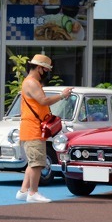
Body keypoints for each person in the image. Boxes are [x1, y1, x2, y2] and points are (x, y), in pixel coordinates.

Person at [18, 53, 73, 204]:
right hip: (33, 128)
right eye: (46, 70)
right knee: (37, 163)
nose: (47, 73)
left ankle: (24, 191)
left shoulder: (30, 82)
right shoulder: (31, 83)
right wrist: (62, 96)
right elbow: (43, 101)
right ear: (40, 68)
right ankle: (33, 192)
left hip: (31, 127)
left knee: (33, 162)